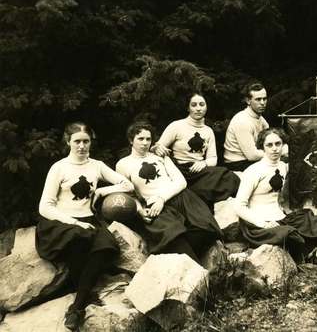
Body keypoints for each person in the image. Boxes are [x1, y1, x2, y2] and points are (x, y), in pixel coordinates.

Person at [36, 122, 134, 331]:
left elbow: (127, 185)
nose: (82, 146)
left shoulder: (96, 165)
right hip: (62, 221)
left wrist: (102, 192)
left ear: (91, 142)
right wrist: (73, 222)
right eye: (77, 141)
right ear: (68, 142)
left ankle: (77, 305)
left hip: (89, 219)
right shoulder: (59, 167)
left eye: (86, 141)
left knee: (106, 246)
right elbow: (45, 206)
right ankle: (81, 304)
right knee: (78, 239)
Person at [116, 121, 222, 265]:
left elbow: (181, 181)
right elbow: (128, 194)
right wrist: (140, 210)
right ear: (131, 140)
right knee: (172, 234)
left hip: (180, 197)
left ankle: (179, 254)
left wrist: (162, 198)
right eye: (140, 139)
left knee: (207, 228)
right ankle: (199, 274)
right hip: (155, 206)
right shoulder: (123, 164)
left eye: (148, 139)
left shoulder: (160, 156)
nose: (145, 143)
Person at [230, 128, 317, 261]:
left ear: (283, 145)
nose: (274, 148)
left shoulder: (284, 166)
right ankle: (309, 256)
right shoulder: (253, 171)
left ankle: (315, 252)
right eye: (269, 145)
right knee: (288, 233)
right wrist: (262, 223)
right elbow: (239, 206)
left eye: (278, 143)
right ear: (262, 147)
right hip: (259, 225)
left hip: (281, 218)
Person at [152, 92, 240, 208]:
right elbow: (158, 147)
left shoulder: (208, 131)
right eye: (194, 105)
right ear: (188, 108)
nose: (198, 108)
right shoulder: (176, 126)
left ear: (206, 107)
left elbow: (213, 159)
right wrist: (157, 148)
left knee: (228, 176)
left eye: (201, 104)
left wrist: (203, 163)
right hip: (180, 171)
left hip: (199, 172)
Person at [223, 82, 269, 172]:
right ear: (248, 101)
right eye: (258, 99)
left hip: (250, 161)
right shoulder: (242, 121)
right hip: (237, 164)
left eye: (265, 99)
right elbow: (252, 156)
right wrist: (277, 152)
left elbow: (269, 141)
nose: (263, 103)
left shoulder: (260, 119)